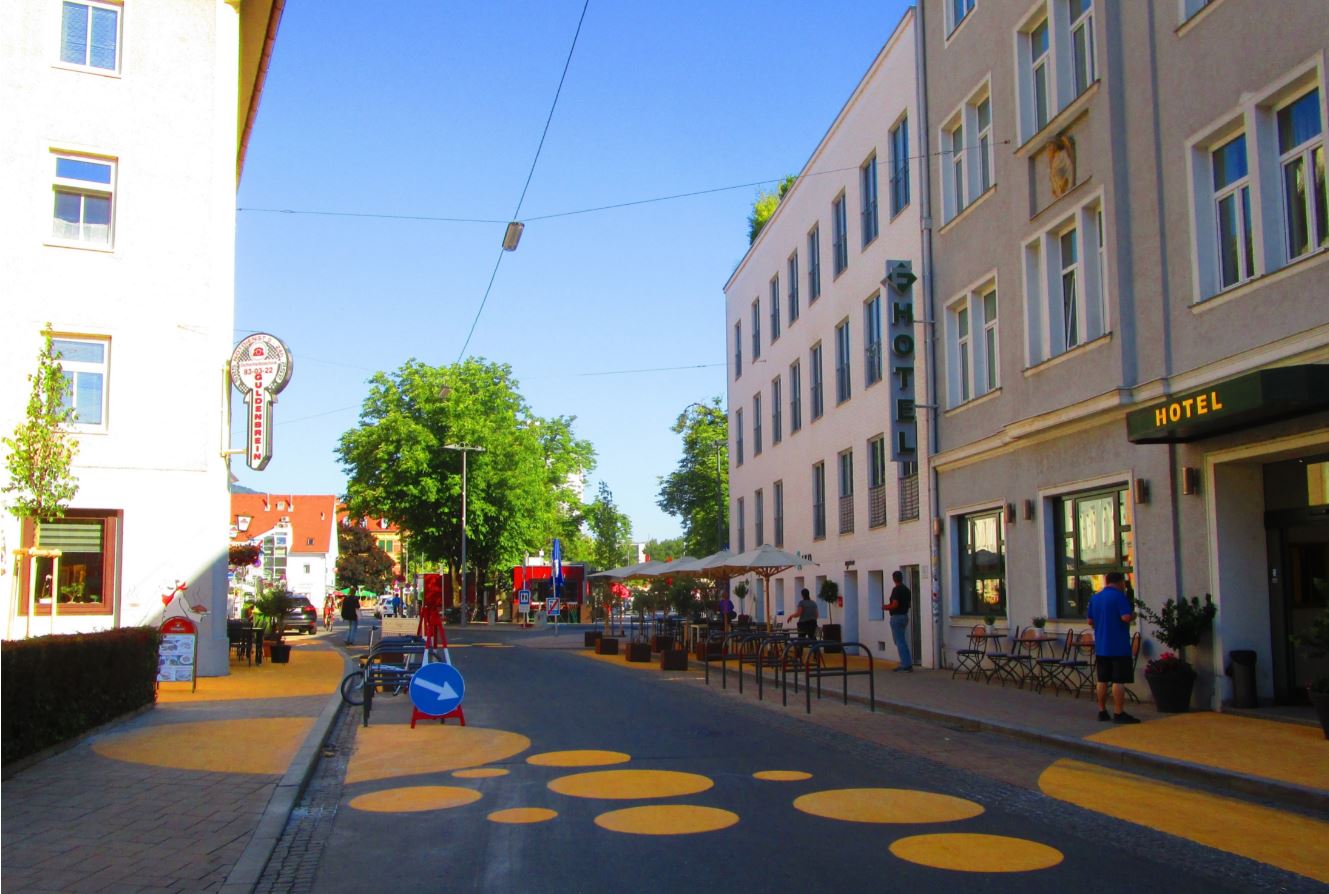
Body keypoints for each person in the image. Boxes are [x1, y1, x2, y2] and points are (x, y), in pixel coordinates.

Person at [1087, 571, 1140, 724]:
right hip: (1118, 645)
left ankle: (1102, 711)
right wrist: (1132, 616)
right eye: (1123, 583)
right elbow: (1125, 617)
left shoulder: (1095, 598)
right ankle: (1118, 712)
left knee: (1102, 679)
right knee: (1118, 680)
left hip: (1102, 645)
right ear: (1120, 582)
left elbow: (1090, 621)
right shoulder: (1119, 597)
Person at [885, 570, 913, 672]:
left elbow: (895, 604)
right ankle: (907, 662)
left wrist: (886, 607)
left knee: (899, 641)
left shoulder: (896, 590)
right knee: (901, 640)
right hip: (904, 616)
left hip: (897, 616)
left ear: (894, 579)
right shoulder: (907, 590)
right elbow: (909, 605)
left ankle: (905, 664)